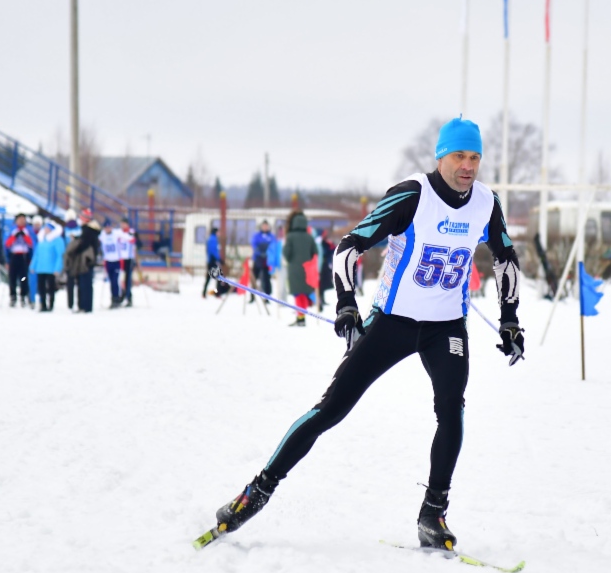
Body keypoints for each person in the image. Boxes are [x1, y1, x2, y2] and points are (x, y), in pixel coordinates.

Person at [208, 117, 524, 551]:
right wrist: (346, 304)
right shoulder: (413, 195)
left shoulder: (486, 203)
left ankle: (433, 513)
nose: (467, 166)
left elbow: (506, 257)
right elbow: (348, 247)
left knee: (452, 410)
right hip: (393, 321)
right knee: (332, 410)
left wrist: (510, 319)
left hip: (446, 325)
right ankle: (256, 492)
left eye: (474, 157)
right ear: (440, 156)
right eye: (459, 156)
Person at [283, 210, 319, 326]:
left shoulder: (290, 236)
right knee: (304, 292)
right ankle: (301, 316)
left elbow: (286, 252)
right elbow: (315, 251)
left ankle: (300, 318)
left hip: (294, 268)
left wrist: (290, 261)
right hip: (307, 269)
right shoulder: (309, 237)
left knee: (298, 293)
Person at [65, 210, 101, 313]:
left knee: (85, 284)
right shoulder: (91, 230)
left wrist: (74, 250)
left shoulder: (88, 230)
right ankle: (84, 306)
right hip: (89, 260)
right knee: (84, 283)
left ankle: (85, 306)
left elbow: (84, 244)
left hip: (85, 261)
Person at [29, 219, 66, 312]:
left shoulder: (57, 240)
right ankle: (43, 304)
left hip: (51, 268)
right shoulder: (41, 240)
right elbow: (36, 254)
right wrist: (33, 266)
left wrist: (58, 268)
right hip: (41, 268)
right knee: (41, 287)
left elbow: (60, 255)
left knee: (51, 287)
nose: (46, 230)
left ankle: (51, 304)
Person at [4, 213, 34, 307]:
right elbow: (7, 244)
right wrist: (14, 236)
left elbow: (31, 244)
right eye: (20, 219)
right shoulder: (12, 230)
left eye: (23, 219)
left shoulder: (28, 230)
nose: (21, 221)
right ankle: (13, 296)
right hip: (14, 256)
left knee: (23, 277)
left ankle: (23, 296)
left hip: (23, 256)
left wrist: (25, 236)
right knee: (12, 277)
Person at [100, 218, 123, 308]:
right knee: (110, 281)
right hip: (108, 261)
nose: (107, 229)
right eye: (106, 227)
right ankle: (113, 298)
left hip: (116, 261)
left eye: (109, 227)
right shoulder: (102, 236)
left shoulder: (116, 234)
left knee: (115, 281)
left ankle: (116, 298)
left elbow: (126, 237)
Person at [250, 220, 275, 297]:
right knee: (254, 277)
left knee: (266, 278)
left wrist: (268, 254)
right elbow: (254, 245)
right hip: (258, 259)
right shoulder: (257, 236)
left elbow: (273, 246)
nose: (265, 227)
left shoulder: (271, 236)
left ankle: (267, 296)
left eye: (266, 226)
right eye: (263, 226)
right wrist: (259, 252)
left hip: (267, 260)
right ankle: (252, 296)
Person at [63, 209, 81, 311]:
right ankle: (78, 303)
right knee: (78, 282)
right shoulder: (79, 228)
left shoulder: (65, 229)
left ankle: (70, 303)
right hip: (77, 257)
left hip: (69, 256)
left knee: (70, 281)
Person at [118, 218, 138, 307]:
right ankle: (121, 295)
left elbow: (138, 243)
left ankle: (128, 297)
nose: (122, 226)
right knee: (119, 279)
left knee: (128, 279)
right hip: (119, 258)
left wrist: (134, 240)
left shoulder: (132, 232)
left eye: (124, 224)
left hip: (129, 258)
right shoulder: (118, 233)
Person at [318, 230, 335, 310]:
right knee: (320, 285)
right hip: (320, 266)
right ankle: (319, 301)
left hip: (324, 266)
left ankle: (322, 300)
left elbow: (332, 250)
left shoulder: (327, 243)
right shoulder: (319, 243)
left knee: (323, 285)